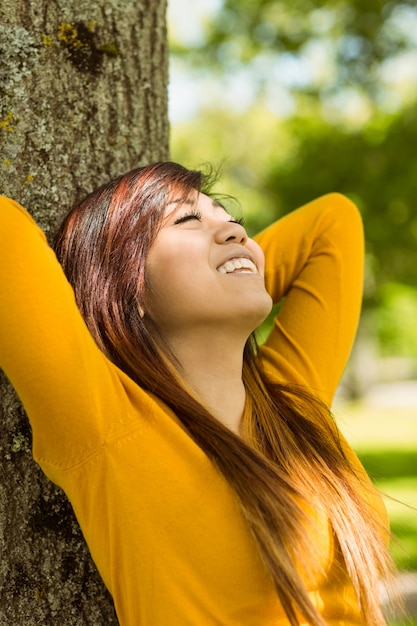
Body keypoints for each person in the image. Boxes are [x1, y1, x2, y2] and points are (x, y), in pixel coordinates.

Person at [0, 161, 396, 625]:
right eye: (187, 220)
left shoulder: (289, 403)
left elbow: (333, 222)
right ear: (129, 289)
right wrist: (222, 267)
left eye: (230, 217)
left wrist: (232, 263)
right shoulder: (107, 426)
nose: (234, 230)